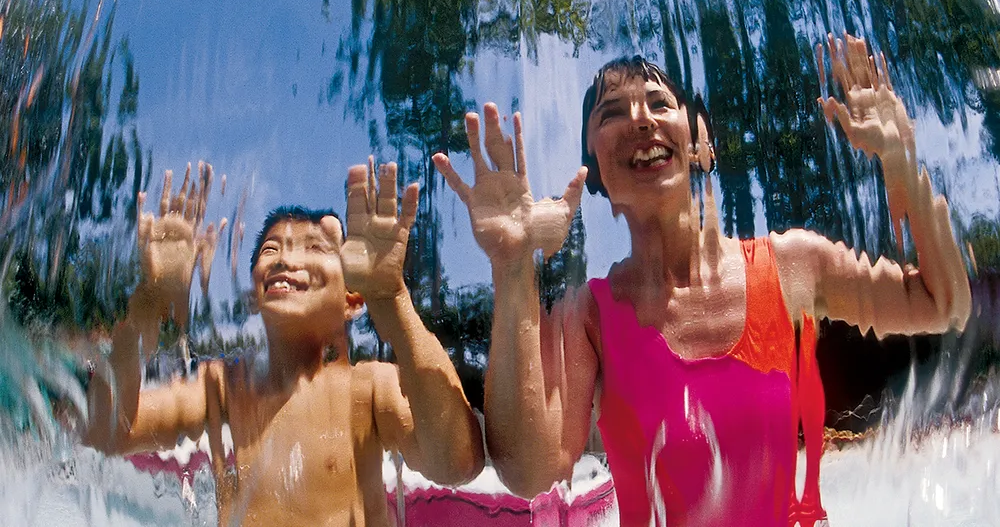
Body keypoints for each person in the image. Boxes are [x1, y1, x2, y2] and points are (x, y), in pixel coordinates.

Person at [432, 33, 971, 526]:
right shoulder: (589, 316)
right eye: (612, 113)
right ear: (593, 169)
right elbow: (529, 472)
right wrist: (512, 264)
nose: (641, 120)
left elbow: (941, 303)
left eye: (660, 103)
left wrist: (900, 159)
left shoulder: (793, 265)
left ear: (700, 140)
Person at [84, 159, 484, 526]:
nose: (284, 260)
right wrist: (145, 306)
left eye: (313, 247)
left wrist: (393, 298)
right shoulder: (223, 386)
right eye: (270, 249)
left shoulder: (368, 389)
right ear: (256, 295)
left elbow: (456, 462)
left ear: (353, 299)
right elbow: (110, 432)